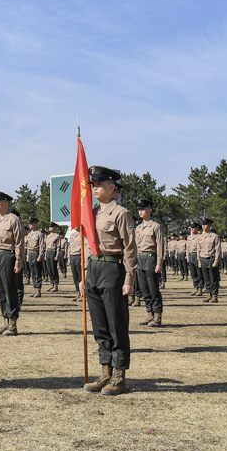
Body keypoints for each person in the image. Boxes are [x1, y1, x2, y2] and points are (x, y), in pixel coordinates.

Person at [82, 167, 137, 396]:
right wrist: (85, 274)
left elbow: (130, 247)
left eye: (99, 184)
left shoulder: (121, 213)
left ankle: (119, 376)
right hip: (93, 269)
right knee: (100, 326)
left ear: (112, 187)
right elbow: (87, 245)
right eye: (93, 185)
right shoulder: (91, 213)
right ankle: (105, 371)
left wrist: (129, 279)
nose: (95, 188)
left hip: (112, 268)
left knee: (116, 324)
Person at [0, 191, 24, 337]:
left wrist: (18, 261)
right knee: (0, 290)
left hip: (8, 255)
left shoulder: (14, 220)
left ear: (6, 203)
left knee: (10, 290)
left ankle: (13, 324)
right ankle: (5, 320)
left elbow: (20, 242)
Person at [134, 199, 165, 327]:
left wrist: (159, 263)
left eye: (143, 209)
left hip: (151, 258)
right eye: (139, 209)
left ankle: (157, 316)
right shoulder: (138, 228)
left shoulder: (156, 226)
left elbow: (160, 245)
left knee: (153, 288)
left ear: (149, 210)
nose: (140, 211)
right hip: (141, 259)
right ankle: (150, 313)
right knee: (144, 289)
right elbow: (136, 246)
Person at [197, 219, 222, 303]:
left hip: (211, 259)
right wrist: (199, 260)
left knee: (213, 279)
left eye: (205, 225)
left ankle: (214, 296)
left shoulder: (215, 236)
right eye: (203, 225)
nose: (203, 226)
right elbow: (198, 249)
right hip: (203, 259)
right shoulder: (200, 237)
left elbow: (218, 249)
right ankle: (209, 294)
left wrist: (216, 261)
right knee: (206, 278)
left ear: (210, 225)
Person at [25, 219, 45, 298]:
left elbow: (41, 245)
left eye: (31, 224)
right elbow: (27, 246)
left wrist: (40, 255)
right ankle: (34, 290)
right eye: (29, 224)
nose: (30, 225)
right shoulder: (29, 234)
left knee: (37, 272)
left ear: (35, 224)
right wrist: (27, 256)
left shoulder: (39, 234)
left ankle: (38, 291)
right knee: (32, 273)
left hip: (36, 253)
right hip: (30, 254)